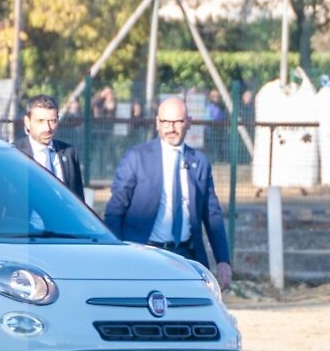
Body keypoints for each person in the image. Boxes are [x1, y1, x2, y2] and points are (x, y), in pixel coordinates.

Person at [104, 95, 232, 290]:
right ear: (157, 123)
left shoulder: (200, 162)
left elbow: (212, 213)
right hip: (144, 253)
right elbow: (115, 209)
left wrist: (223, 259)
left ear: (189, 122)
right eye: (166, 121)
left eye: (178, 121)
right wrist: (116, 254)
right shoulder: (137, 157)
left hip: (186, 256)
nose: (171, 127)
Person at [13, 94, 85, 199]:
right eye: (40, 121)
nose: (47, 128)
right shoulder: (14, 154)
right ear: (27, 122)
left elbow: (78, 202)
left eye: (52, 121)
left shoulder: (69, 153)